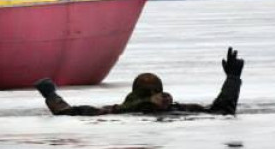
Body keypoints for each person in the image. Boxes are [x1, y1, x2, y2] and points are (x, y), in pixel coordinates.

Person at [36, 48, 244, 116]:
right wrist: (232, 79)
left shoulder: (114, 111)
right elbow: (223, 111)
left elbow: (68, 112)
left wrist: (50, 94)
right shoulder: (180, 110)